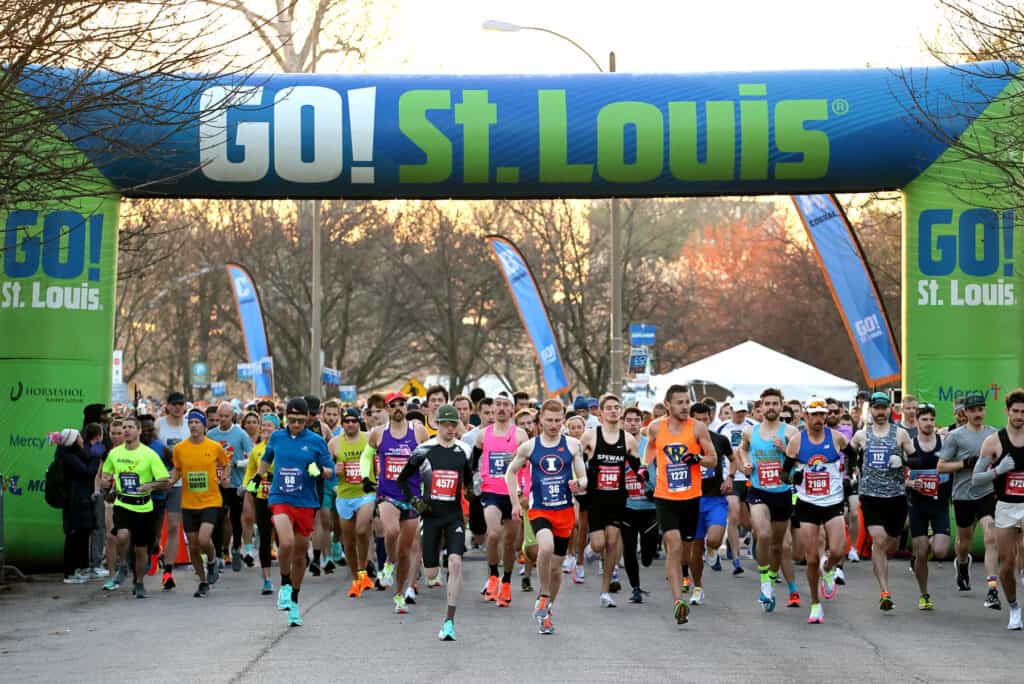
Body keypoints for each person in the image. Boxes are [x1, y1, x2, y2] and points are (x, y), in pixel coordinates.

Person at [506, 400, 587, 635]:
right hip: (539, 508)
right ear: (540, 420)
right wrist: (515, 500)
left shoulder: (572, 445)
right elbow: (510, 472)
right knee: (546, 547)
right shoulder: (530, 447)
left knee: (556, 569)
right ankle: (542, 595)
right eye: (549, 420)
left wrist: (578, 484)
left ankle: (547, 611)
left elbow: (584, 478)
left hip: (564, 511)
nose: (553, 425)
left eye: (557, 420)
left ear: (563, 419)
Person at [254, 397, 336, 627]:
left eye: (300, 420)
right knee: (286, 542)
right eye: (292, 420)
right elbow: (267, 458)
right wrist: (258, 476)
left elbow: (331, 472)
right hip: (280, 497)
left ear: (307, 419)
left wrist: (319, 471)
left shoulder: (316, 441)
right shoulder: (277, 437)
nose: (296, 424)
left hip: (306, 502)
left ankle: (295, 602)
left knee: (300, 556)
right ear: (285, 418)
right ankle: (285, 584)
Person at [396, 405, 473, 641]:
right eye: (446, 424)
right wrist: (414, 502)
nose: (450, 429)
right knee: (430, 573)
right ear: (436, 424)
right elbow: (402, 479)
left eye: (454, 424)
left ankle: (449, 621)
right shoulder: (423, 450)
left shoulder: (464, 450)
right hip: (430, 516)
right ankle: (433, 564)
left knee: (456, 563)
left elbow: (468, 482)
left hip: (453, 516)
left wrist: (472, 496)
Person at [645, 384, 717, 625]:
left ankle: (686, 575)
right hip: (665, 497)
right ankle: (678, 601)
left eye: (687, 402)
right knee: (673, 546)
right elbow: (650, 450)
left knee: (685, 550)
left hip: (691, 497)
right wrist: (645, 470)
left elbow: (713, 460)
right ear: (668, 405)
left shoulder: (698, 428)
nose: (685, 406)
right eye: (680, 402)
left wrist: (697, 458)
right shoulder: (656, 428)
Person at [783, 398, 849, 624]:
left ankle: (829, 569)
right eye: (815, 415)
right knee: (810, 558)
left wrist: (844, 474)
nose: (820, 419)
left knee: (839, 549)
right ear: (806, 417)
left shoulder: (836, 437)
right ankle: (815, 603)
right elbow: (785, 473)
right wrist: (795, 476)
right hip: (807, 503)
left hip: (832, 501)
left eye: (823, 415)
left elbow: (854, 455)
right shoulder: (796, 442)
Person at [361, 391, 428, 614]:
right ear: (388, 409)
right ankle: (388, 562)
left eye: (402, 404)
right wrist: (365, 477)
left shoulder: (418, 432)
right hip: (387, 493)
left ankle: (399, 593)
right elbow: (365, 456)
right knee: (391, 531)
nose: (398, 407)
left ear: (406, 408)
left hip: (410, 496)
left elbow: (429, 461)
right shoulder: (378, 434)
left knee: (406, 550)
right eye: (393, 405)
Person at [849, 392, 914, 611]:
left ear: (889, 410)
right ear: (871, 410)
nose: (879, 412)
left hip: (896, 496)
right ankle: (884, 592)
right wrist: (853, 471)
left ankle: (892, 552)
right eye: (875, 408)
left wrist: (903, 460)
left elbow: (915, 459)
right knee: (878, 540)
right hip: (871, 496)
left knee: (891, 543)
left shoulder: (901, 434)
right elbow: (848, 454)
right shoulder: (861, 435)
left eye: (883, 408)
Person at [579, 394, 644, 608]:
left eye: (617, 407)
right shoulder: (590, 436)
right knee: (599, 545)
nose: (614, 411)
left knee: (612, 542)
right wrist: (578, 480)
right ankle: (590, 549)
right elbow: (577, 461)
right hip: (596, 499)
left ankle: (605, 591)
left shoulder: (628, 439)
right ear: (601, 412)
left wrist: (646, 476)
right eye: (609, 408)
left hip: (617, 499)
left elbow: (637, 467)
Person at [738, 388, 799, 613]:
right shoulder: (749, 432)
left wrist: (786, 450)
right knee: (762, 534)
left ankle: (772, 580)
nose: (771, 407)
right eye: (767, 403)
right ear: (760, 407)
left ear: (781, 407)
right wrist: (745, 464)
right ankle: (765, 580)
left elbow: (803, 458)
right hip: (758, 490)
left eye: (775, 403)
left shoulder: (791, 432)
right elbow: (741, 450)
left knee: (777, 545)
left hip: (782, 492)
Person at [937, 392, 999, 608]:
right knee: (965, 542)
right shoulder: (956, 436)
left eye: (980, 409)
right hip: (963, 494)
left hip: (986, 492)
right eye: (972, 410)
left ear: (984, 410)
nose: (977, 414)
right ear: (965, 413)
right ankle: (962, 564)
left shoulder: (994, 434)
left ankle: (992, 589)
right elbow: (941, 466)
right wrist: (965, 464)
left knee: (991, 535)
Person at [100, 416, 171, 598]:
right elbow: (106, 475)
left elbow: (165, 480)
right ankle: (123, 565)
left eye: (130, 427)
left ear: (139, 431)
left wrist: (150, 486)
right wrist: (105, 481)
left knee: (141, 549)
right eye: (124, 427)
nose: (126, 430)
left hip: (144, 507)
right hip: (123, 503)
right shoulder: (115, 454)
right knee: (122, 535)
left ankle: (139, 582)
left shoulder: (149, 454)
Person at [973, 388, 1024, 630]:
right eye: (1015, 411)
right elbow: (976, 479)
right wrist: (998, 470)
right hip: (1005, 506)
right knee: (1006, 563)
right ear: (1007, 411)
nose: (1020, 416)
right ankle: (1014, 607)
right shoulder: (993, 441)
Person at [474, 391, 529, 607]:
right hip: (491, 492)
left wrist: (524, 493)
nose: (502, 408)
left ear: (512, 409)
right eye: (498, 404)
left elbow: (527, 467)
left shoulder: (520, 435)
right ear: (492, 408)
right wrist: (473, 483)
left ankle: (506, 582)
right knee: (494, 533)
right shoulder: (482, 435)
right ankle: (493, 577)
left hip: (513, 494)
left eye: (506, 405)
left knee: (510, 543)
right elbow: (474, 460)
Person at [169, 409, 230, 597]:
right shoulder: (180, 448)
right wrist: (170, 481)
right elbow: (177, 469)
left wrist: (225, 477)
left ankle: (212, 561)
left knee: (204, 539)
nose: (193, 425)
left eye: (197, 422)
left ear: (204, 426)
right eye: (191, 423)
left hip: (211, 500)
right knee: (193, 546)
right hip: (188, 503)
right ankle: (203, 581)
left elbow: (225, 463)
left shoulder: (214, 447)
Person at [689, 401, 736, 606]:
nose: (701, 423)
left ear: (710, 418)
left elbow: (733, 459)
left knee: (715, 539)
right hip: (691, 500)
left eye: (704, 419)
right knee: (694, 550)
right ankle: (697, 587)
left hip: (715, 498)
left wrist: (730, 478)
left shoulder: (719, 439)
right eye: (696, 420)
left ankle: (713, 549)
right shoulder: (685, 441)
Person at [904, 403, 950, 610]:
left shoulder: (944, 442)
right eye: (924, 419)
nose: (929, 423)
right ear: (916, 422)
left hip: (939, 503)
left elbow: (952, 464)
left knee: (939, 551)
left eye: (932, 419)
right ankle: (924, 594)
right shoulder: (909, 444)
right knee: (921, 553)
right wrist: (911, 483)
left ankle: (930, 541)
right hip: (918, 504)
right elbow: (896, 476)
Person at [330, 408, 375, 598]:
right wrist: (333, 469)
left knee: (362, 530)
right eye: (347, 421)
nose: (350, 424)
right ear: (342, 423)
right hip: (345, 495)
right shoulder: (334, 443)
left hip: (366, 493)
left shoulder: (369, 438)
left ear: (359, 422)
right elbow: (322, 467)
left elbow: (380, 458)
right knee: (348, 541)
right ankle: (357, 577)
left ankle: (364, 569)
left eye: (353, 421)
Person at [207, 401, 253, 572]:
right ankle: (218, 554)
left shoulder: (240, 434)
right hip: (217, 483)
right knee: (217, 518)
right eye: (221, 416)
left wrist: (235, 464)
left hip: (236, 483)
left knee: (236, 519)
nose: (223, 420)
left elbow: (252, 458)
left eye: (227, 416)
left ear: (233, 416)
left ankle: (236, 549)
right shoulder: (211, 435)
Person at [621, 406, 658, 603]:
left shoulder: (650, 444)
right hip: (627, 505)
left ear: (641, 422)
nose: (633, 423)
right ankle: (635, 588)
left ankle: (648, 552)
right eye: (629, 420)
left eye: (636, 420)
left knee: (647, 554)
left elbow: (661, 468)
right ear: (623, 422)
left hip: (649, 505)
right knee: (628, 548)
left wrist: (656, 487)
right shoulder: (616, 445)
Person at [243, 413, 280, 595]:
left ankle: (288, 574)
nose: (265, 429)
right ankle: (267, 579)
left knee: (283, 536)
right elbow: (250, 475)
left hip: (281, 497)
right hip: (262, 497)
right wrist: (246, 489)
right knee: (264, 537)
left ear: (276, 429)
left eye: (269, 426)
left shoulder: (282, 447)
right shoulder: (256, 450)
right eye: (263, 426)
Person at [157, 391, 190, 591]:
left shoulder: (189, 427)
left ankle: (168, 571)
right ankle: (157, 551)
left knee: (173, 526)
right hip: (158, 483)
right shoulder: (158, 425)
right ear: (167, 405)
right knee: (155, 527)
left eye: (181, 404)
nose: (178, 407)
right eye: (174, 404)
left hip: (179, 484)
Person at [718, 400, 756, 575]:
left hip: (750, 476)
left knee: (750, 522)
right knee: (733, 515)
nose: (741, 415)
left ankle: (756, 545)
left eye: (743, 412)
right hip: (731, 477)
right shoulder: (722, 427)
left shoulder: (753, 426)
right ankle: (735, 558)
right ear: (731, 410)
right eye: (738, 411)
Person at [57, 429, 98, 583]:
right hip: (74, 503)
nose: (82, 439)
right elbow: (87, 472)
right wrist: (95, 459)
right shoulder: (69, 458)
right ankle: (69, 573)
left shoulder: (76, 455)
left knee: (81, 536)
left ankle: (77, 569)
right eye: (79, 437)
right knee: (73, 537)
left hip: (80, 501)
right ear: (73, 441)